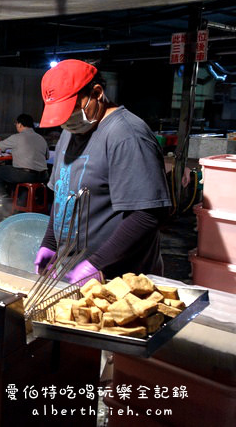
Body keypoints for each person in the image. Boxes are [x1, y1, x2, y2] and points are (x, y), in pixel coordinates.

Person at [34, 59, 171, 283]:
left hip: (120, 279)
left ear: (97, 93)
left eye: (72, 110)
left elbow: (147, 214)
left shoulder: (127, 135)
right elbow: (62, 197)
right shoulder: (70, 134)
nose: (68, 121)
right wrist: (50, 243)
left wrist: (96, 263)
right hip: (73, 273)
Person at [0, 113, 49, 203]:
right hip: (43, 176)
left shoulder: (17, 137)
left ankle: (2, 198)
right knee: (18, 175)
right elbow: (47, 157)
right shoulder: (41, 138)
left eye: (16, 124)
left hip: (26, 175)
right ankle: (21, 203)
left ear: (20, 124)